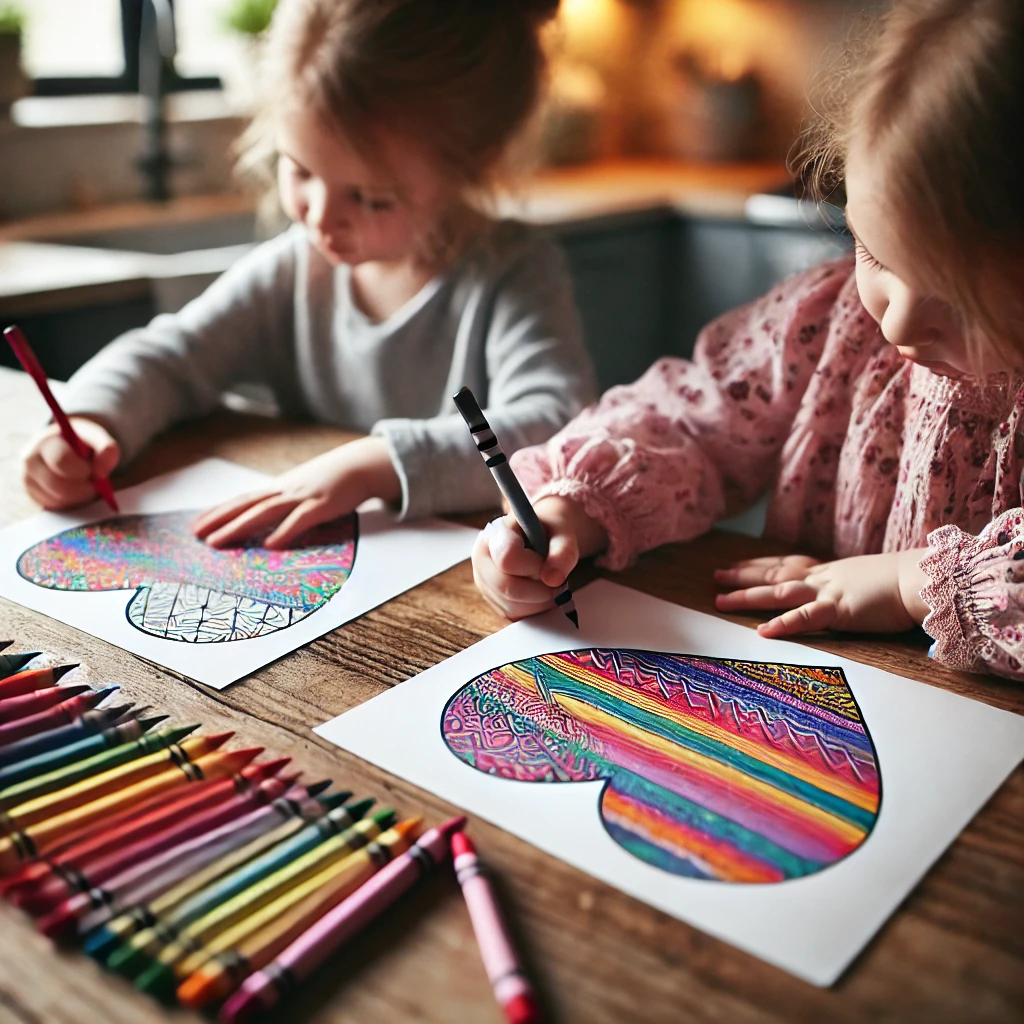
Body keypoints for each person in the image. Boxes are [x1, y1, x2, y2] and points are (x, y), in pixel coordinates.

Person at [474, 0, 1024, 680]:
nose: (898, 323)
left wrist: (910, 581)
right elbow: (691, 419)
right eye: (876, 255)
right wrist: (570, 511)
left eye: (963, 301)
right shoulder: (826, 321)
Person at [21, 0, 594, 547]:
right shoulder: (293, 271)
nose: (320, 218)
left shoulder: (514, 272)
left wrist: (378, 465)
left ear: (475, 160)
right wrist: (91, 421)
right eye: (298, 170)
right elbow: (172, 356)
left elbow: (554, 425)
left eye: (370, 198)